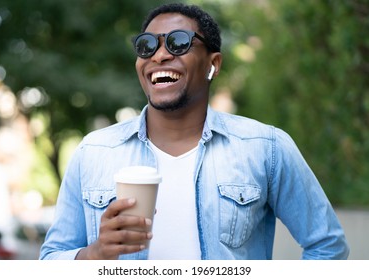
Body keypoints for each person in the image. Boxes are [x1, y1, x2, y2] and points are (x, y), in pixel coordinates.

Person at [39, 3, 349, 260]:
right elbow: (51, 257)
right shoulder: (94, 152)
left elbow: (327, 246)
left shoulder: (265, 148)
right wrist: (93, 255)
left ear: (213, 64)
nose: (158, 56)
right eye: (147, 46)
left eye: (178, 42)